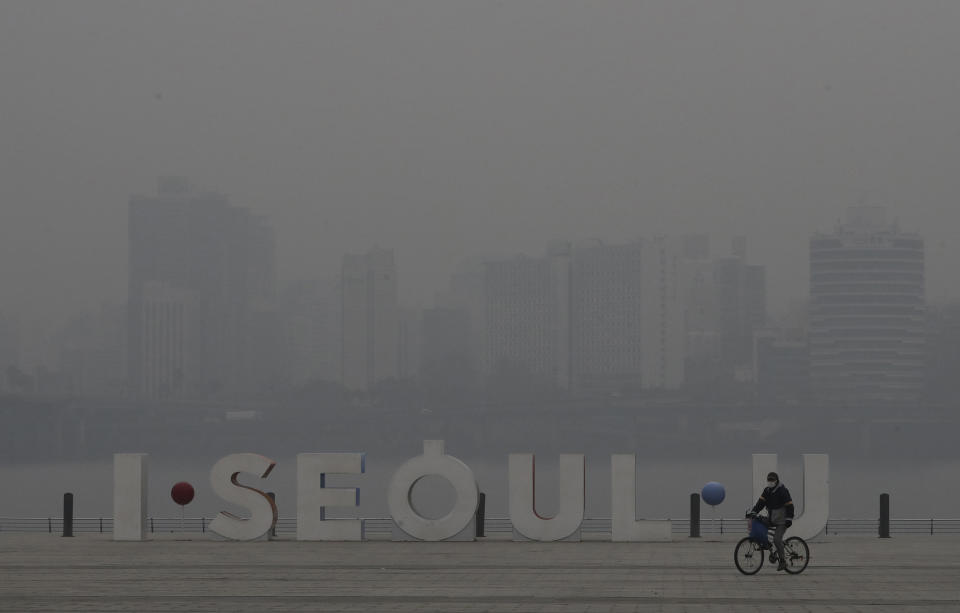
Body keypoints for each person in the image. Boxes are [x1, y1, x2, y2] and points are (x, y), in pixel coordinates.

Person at [751, 471, 795, 571]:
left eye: (772, 480)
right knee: (759, 522)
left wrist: (789, 518)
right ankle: (766, 544)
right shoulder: (767, 490)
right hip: (772, 518)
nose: (770, 482)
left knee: (777, 540)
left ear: (776, 481)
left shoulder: (782, 491)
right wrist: (754, 511)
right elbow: (760, 503)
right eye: (768, 480)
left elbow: (790, 505)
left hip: (782, 521)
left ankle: (783, 561)